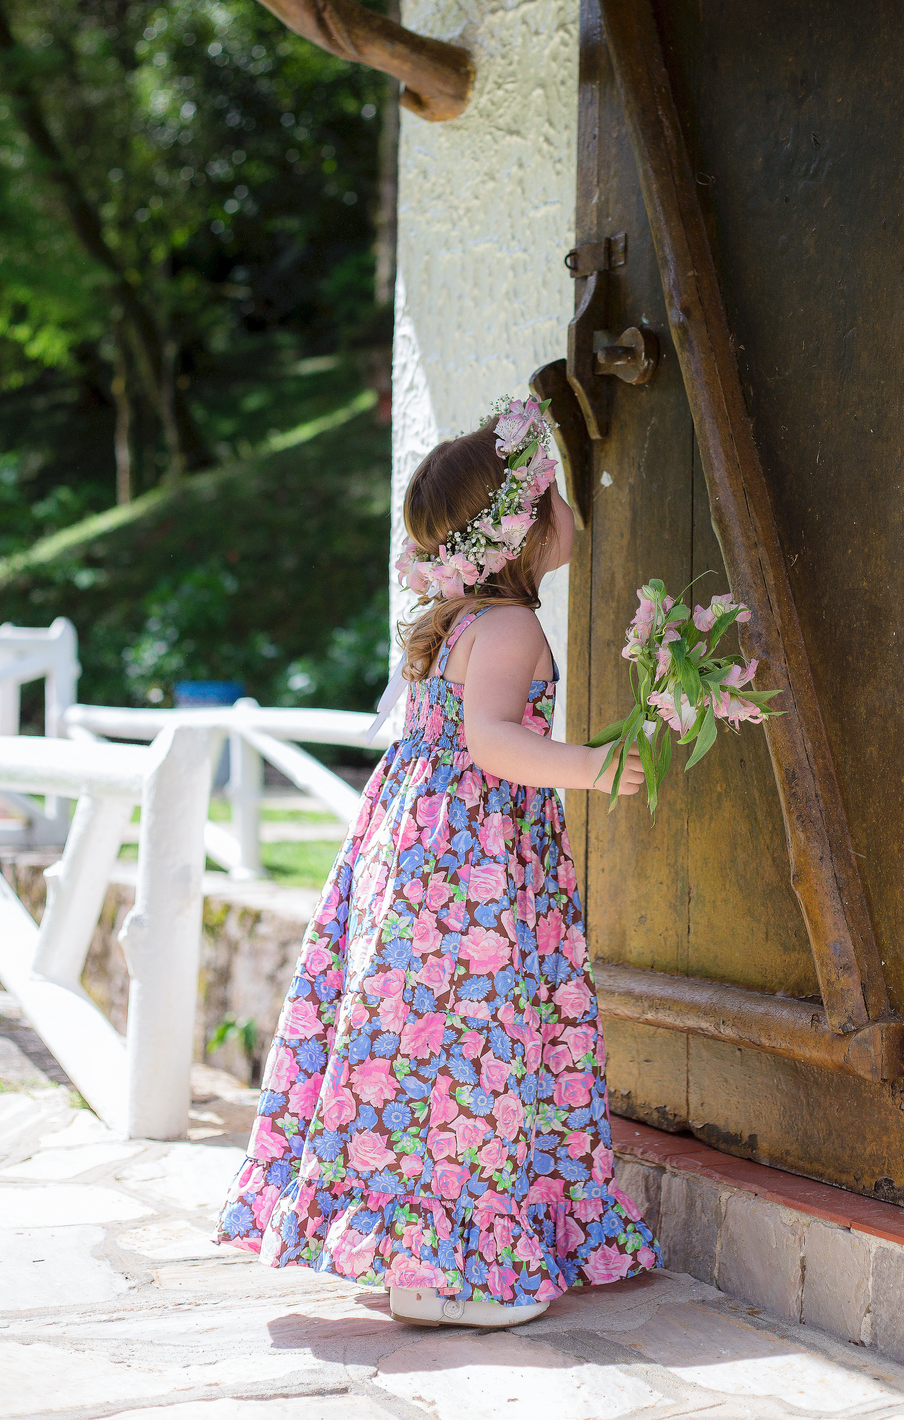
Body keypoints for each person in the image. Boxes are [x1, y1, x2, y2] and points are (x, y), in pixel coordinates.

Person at [213, 394, 659, 1328]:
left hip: (426, 865)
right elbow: (492, 740)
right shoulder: (510, 627)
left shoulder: (460, 621)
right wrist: (593, 768)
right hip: (470, 878)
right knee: (478, 1048)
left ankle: (420, 1256)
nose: (570, 509)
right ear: (520, 530)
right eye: (553, 496)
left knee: (433, 1052)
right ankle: (460, 1270)